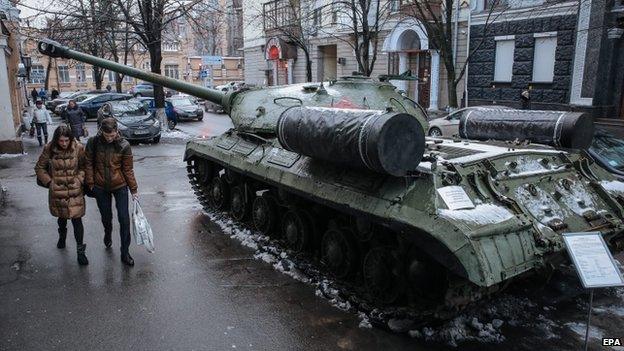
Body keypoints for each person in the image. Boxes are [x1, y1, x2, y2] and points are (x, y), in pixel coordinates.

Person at [86, 118, 138, 266]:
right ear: (101, 131)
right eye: (107, 135)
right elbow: (88, 163)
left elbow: (128, 169)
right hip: (100, 186)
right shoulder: (93, 142)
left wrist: (133, 189)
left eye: (112, 135)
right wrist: (90, 182)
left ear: (117, 131)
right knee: (106, 216)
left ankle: (125, 252)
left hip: (120, 185)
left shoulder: (124, 145)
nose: (110, 138)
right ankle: (107, 233)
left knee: (124, 218)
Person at [35, 125, 88, 265]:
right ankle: (62, 236)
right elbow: (39, 167)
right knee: (62, 217)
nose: (64, 143)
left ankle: (80, 252)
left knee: (77, 220)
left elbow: (84, 166)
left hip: (75, 189)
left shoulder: (78, 148)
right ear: (56, 140)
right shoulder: (49, 148)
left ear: (70, 139)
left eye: (66, 140)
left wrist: (79, 179)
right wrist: (49, 182)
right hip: (57, 190)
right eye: (61, 141)